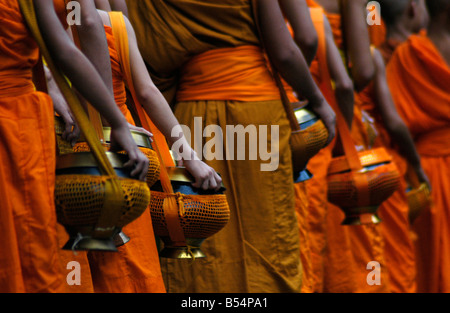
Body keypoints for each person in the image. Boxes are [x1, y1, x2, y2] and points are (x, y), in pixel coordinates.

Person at [126, 0, 336, 293]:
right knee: (268, 234)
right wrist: (316, 98)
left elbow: (149, 59)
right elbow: (295, 46)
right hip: (259, 116)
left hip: (191, 116)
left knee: (206, 232)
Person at [0, 0, 149, 292]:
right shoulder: (111, 22)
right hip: (17, 121)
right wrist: (114, 121)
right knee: (29, 240)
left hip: (23, 111)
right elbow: (70, 45)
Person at [386, 0, 450, 293]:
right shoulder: (409, 52)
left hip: (424, 172)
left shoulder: (408, 55)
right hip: (431, 165)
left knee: (431, 260)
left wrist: (411, 162)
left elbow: (395, 122)